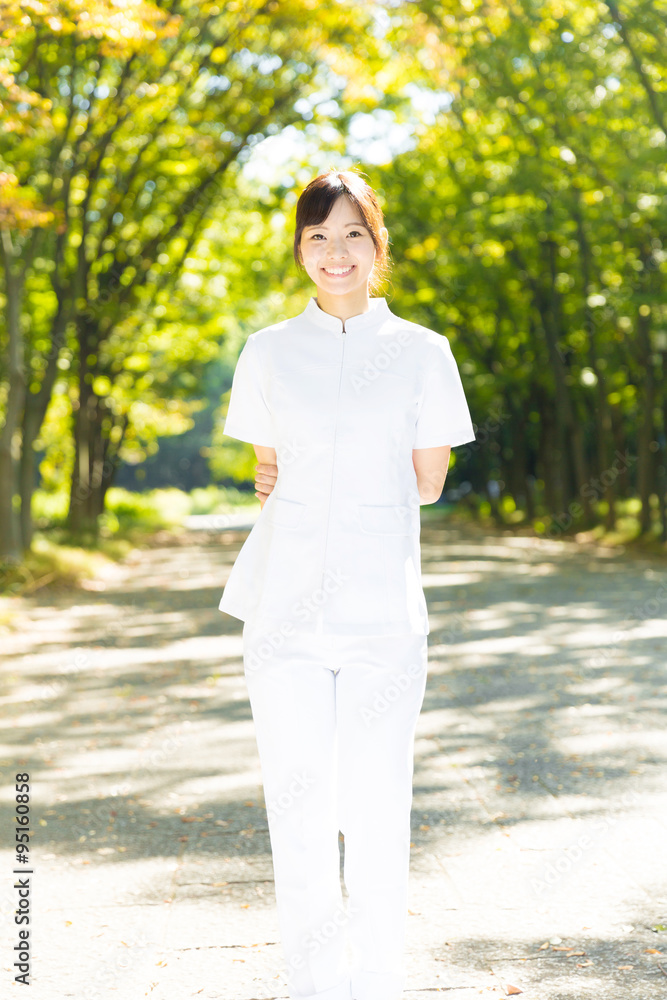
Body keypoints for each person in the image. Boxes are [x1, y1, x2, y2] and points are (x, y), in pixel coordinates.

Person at [219, 169, 476, 1000]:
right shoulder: (265, 350)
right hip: (282, 615)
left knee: (374, 807)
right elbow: (264, 469)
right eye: (318, 237)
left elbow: (429, 482)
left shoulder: (422, 352)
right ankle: (312, 982)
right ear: (299, 249)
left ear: (377, 245)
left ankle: (374, 981)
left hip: (380, 616)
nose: (335, 253)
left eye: (352, 235)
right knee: (295, 808)